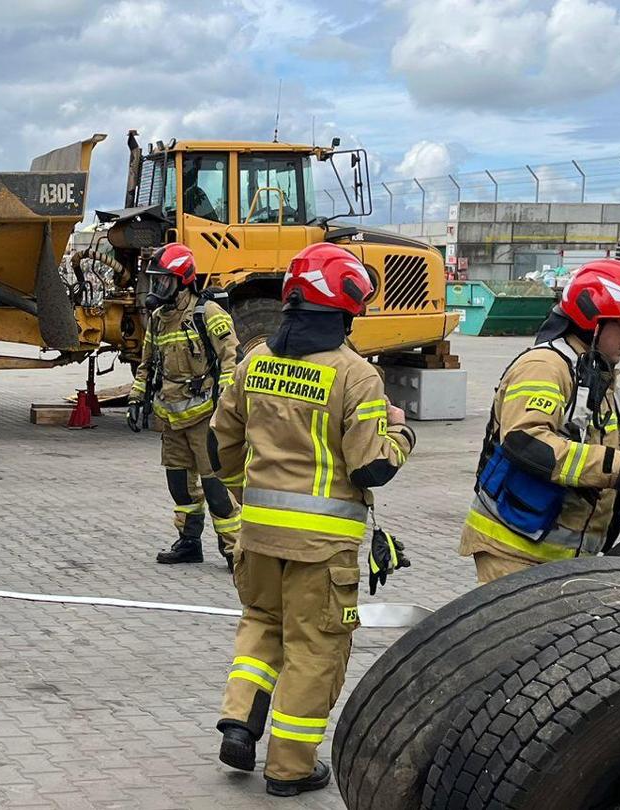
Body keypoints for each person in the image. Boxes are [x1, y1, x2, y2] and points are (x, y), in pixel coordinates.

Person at [211, 243, 416, 798]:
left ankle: (238, 721)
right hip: (322, 551)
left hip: (256, 537)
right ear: (344, 311)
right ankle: (290, 769)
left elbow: (220, 442)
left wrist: (244, 500)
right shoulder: (357, 376)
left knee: (260, 625)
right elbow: (371, 467)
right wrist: (401, 432)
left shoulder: (255, 361)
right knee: (313, 652)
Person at [459, 259, 620, 584]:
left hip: (561, 560)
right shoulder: (545, 366)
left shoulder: (592, 372)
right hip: (516, 554)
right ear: (593, 320)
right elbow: (526, 443)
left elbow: (581, 462)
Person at [129, 242, 241, 568]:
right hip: (170, 418)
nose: (158, 288)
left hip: (205, 418)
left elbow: (231, 359)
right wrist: (137, 399)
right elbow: (147, 365)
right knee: (180, 486)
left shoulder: (208, 315)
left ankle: (235, 550)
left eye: (164, 281)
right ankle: (189, 542)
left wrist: (225, 405)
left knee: (216, 488)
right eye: (156, 281)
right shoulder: (159, 319)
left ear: (182, 281)